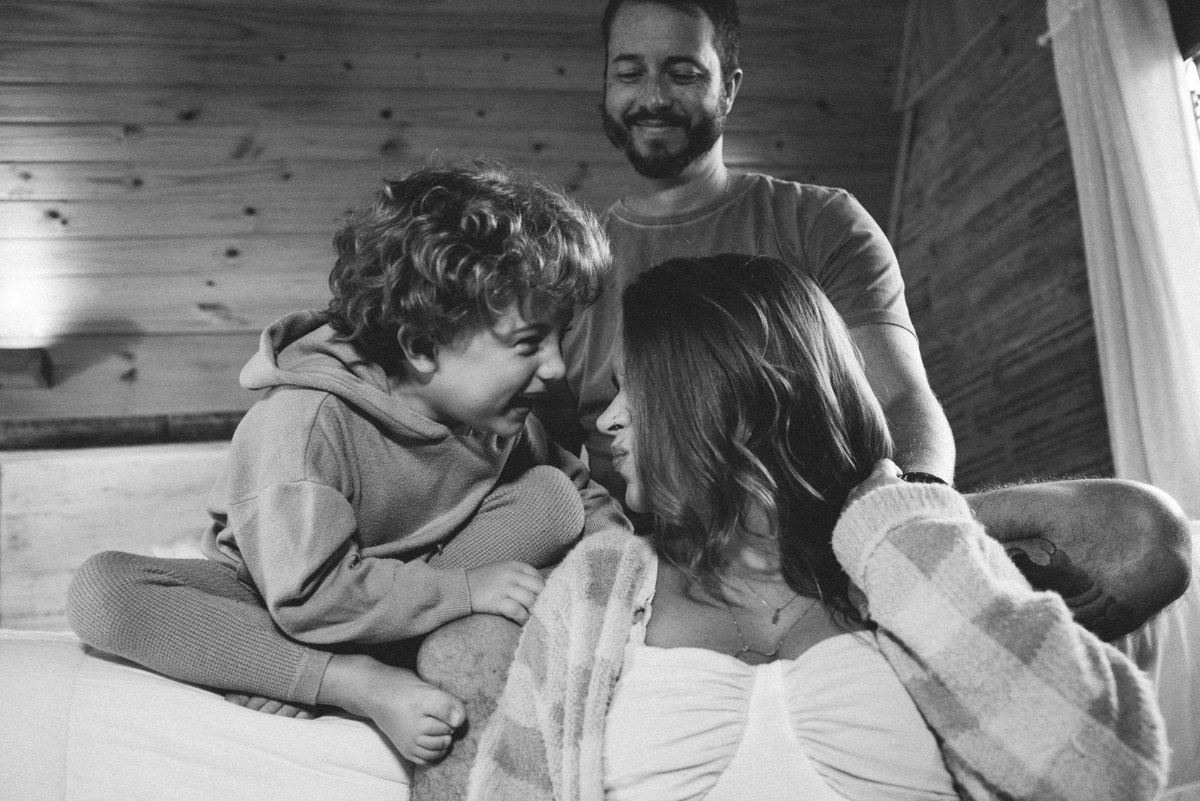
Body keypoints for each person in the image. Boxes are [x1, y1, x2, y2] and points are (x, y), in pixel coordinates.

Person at [468, 253, 1168, 801]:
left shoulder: (904, 568)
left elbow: (1111, 777)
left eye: (634, 389)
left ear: (730, 403)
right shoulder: (599, 585)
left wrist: (902, 527)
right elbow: (513, 784)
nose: (609, 419)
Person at [65, 160, 632, 766]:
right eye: (528, 343)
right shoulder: (304, 425)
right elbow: (308, 598)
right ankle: (347, 680)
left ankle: (362, 652)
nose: (555, 368)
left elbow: (585, 496)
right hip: (280, 600)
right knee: (102, 590)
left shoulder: (497, 417)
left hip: (398, 591)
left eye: (558, 338)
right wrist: (461, 591)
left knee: (553, 496)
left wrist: (633, 576)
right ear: (419, 346)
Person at [537, 0, 956, 503]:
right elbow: (546, 445)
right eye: (629, 73)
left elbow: (902, 399)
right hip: (633, 555)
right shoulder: (568, 265)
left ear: (729, 88)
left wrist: (918, 500)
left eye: (683, 74)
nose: (652, 97)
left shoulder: (821, 223)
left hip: (802, 547)